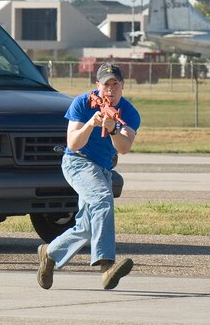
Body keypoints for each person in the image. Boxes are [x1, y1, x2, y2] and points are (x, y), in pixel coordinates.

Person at [38, 62, 141, 290]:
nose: (110, 91)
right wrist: (91, 124)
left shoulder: (130, 113)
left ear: (122, 86)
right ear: (97, 86)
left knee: (87, 227)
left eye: (115, 85)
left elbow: (124, 147)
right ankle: (107, 267)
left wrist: (113, 128)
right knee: (103, 200)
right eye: (106, 85)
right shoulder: (83, 103)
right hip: (77, 162)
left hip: (102, 168)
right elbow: (73, 144)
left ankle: (50, 253)